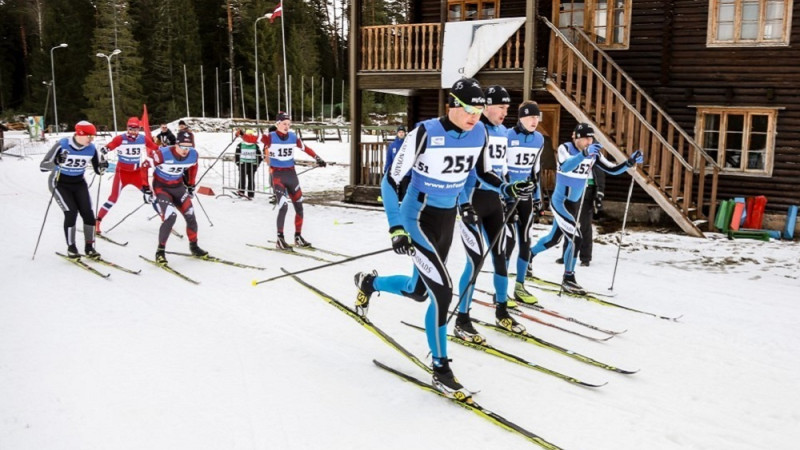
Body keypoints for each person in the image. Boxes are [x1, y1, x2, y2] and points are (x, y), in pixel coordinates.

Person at [353, 78, 533, 399]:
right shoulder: (424, 132)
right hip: (417, 218)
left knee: (418, 291)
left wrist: (507, 189)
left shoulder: (479, 133)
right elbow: (390, 181)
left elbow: (479, 174)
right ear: (451, 105)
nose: (475, 116)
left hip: (446, 219)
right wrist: (396, 227)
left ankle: (370, 283)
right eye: (468, 109)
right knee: (443, 291)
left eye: (479, 110)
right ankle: (441, 368)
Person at [530, 123, 643, 294]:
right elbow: (566, 165)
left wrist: (630, 162)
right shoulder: (565, 148)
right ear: (575, 137)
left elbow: (611, 169)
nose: (588, 141)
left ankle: (528, 256)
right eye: (584, 138)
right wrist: (584, 154)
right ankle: (569, 278)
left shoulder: (593, 152)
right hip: (560, 202)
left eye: (590, 138)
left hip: (574, 205)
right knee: (576, 238)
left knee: (554, 239)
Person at [455, 85, 526, 340]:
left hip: (493, 201)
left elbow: (502, 169)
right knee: (474, 261)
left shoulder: (503, 133)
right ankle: (462, 319)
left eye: (508, 108)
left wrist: (508, 197)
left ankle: (502, 311)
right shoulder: (474, 129)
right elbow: (463, 172)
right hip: (472, 200)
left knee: (501, 256)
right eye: (502, 107)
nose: (505, 112)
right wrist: (463, 205)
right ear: (486, 106)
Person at [39, 121, 108, 258]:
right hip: (59, 183)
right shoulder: (63, 145)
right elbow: (43, 166)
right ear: (80, 134)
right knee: (71, 212)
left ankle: (89, 247)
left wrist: (102, 166)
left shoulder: (91, 149)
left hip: (78, 183)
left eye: (93, 137)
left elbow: (98, 170)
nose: (91, 139)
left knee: (88, 214)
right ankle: (72, 247)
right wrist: (57, 161)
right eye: (89, 136)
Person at [260, 112, 327, 249]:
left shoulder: (292, 137)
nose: (287, 126)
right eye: (284, 124)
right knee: (283, 206)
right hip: (278, 175)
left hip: (291, 175)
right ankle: (280, 238)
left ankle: (298, 236)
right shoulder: (269, 137)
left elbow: (305, 148)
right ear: (277, 124)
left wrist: (318, 158)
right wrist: (242, 134)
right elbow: (253, 138)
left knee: (299, 207)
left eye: (289, 124)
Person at [505, 101, 545, 305]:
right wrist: (503, 196)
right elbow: (500, 169)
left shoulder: (539, 139)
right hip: (508, 195)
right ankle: (500, 291)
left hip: (526, 197)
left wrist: (537, 197)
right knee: (508, 243)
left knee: (525, 241)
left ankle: (520, 286)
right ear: (520, 118)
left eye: (537, 117)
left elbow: (535, 171)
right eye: (530, 117)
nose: (534, 121)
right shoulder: (508, 136)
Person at [149, 132, 207, 264]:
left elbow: (193, 167)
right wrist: (146, 189)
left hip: (178, 188)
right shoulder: (162, 153)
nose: (186, 151)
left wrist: (191, 184)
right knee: (171, 216)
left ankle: (194, 246)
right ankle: (160, 251)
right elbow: (145, 166)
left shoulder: (193, 155)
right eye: (182, 147)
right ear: (176, 144)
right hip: (161, 188)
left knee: (191, 216)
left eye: (189, 147)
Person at [95, 116, 159, 233]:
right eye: (131, 129)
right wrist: (105, 149)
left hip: (136, 174)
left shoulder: (143, 139)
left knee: (151, 195)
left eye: (136, 129)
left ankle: (165, 218)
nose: (133, 132)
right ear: (127, 128)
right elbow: (111, 145)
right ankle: (97, 221)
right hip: (122, 174)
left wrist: (168, 150)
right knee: (113, 199)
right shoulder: (120, 138)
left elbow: (156, 148)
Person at [557, 163, 606, 266]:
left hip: (588, 191)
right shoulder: (575, 156)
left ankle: (585, 257)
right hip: (573, 190)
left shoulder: (595, 158)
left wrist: (599, 195)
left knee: (585, 226)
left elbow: (600, 176)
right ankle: (566, 255)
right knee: (569, 224)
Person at [234, 129, 263, 199]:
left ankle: (246, 192)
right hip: (247, 164)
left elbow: (259, 156)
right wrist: (257, 164)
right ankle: (248, 193)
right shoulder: (254, 145)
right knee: (247, 179)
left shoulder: (243, 144)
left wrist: (238, 162)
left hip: (246, 164)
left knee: (247, 179)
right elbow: (237, 154)